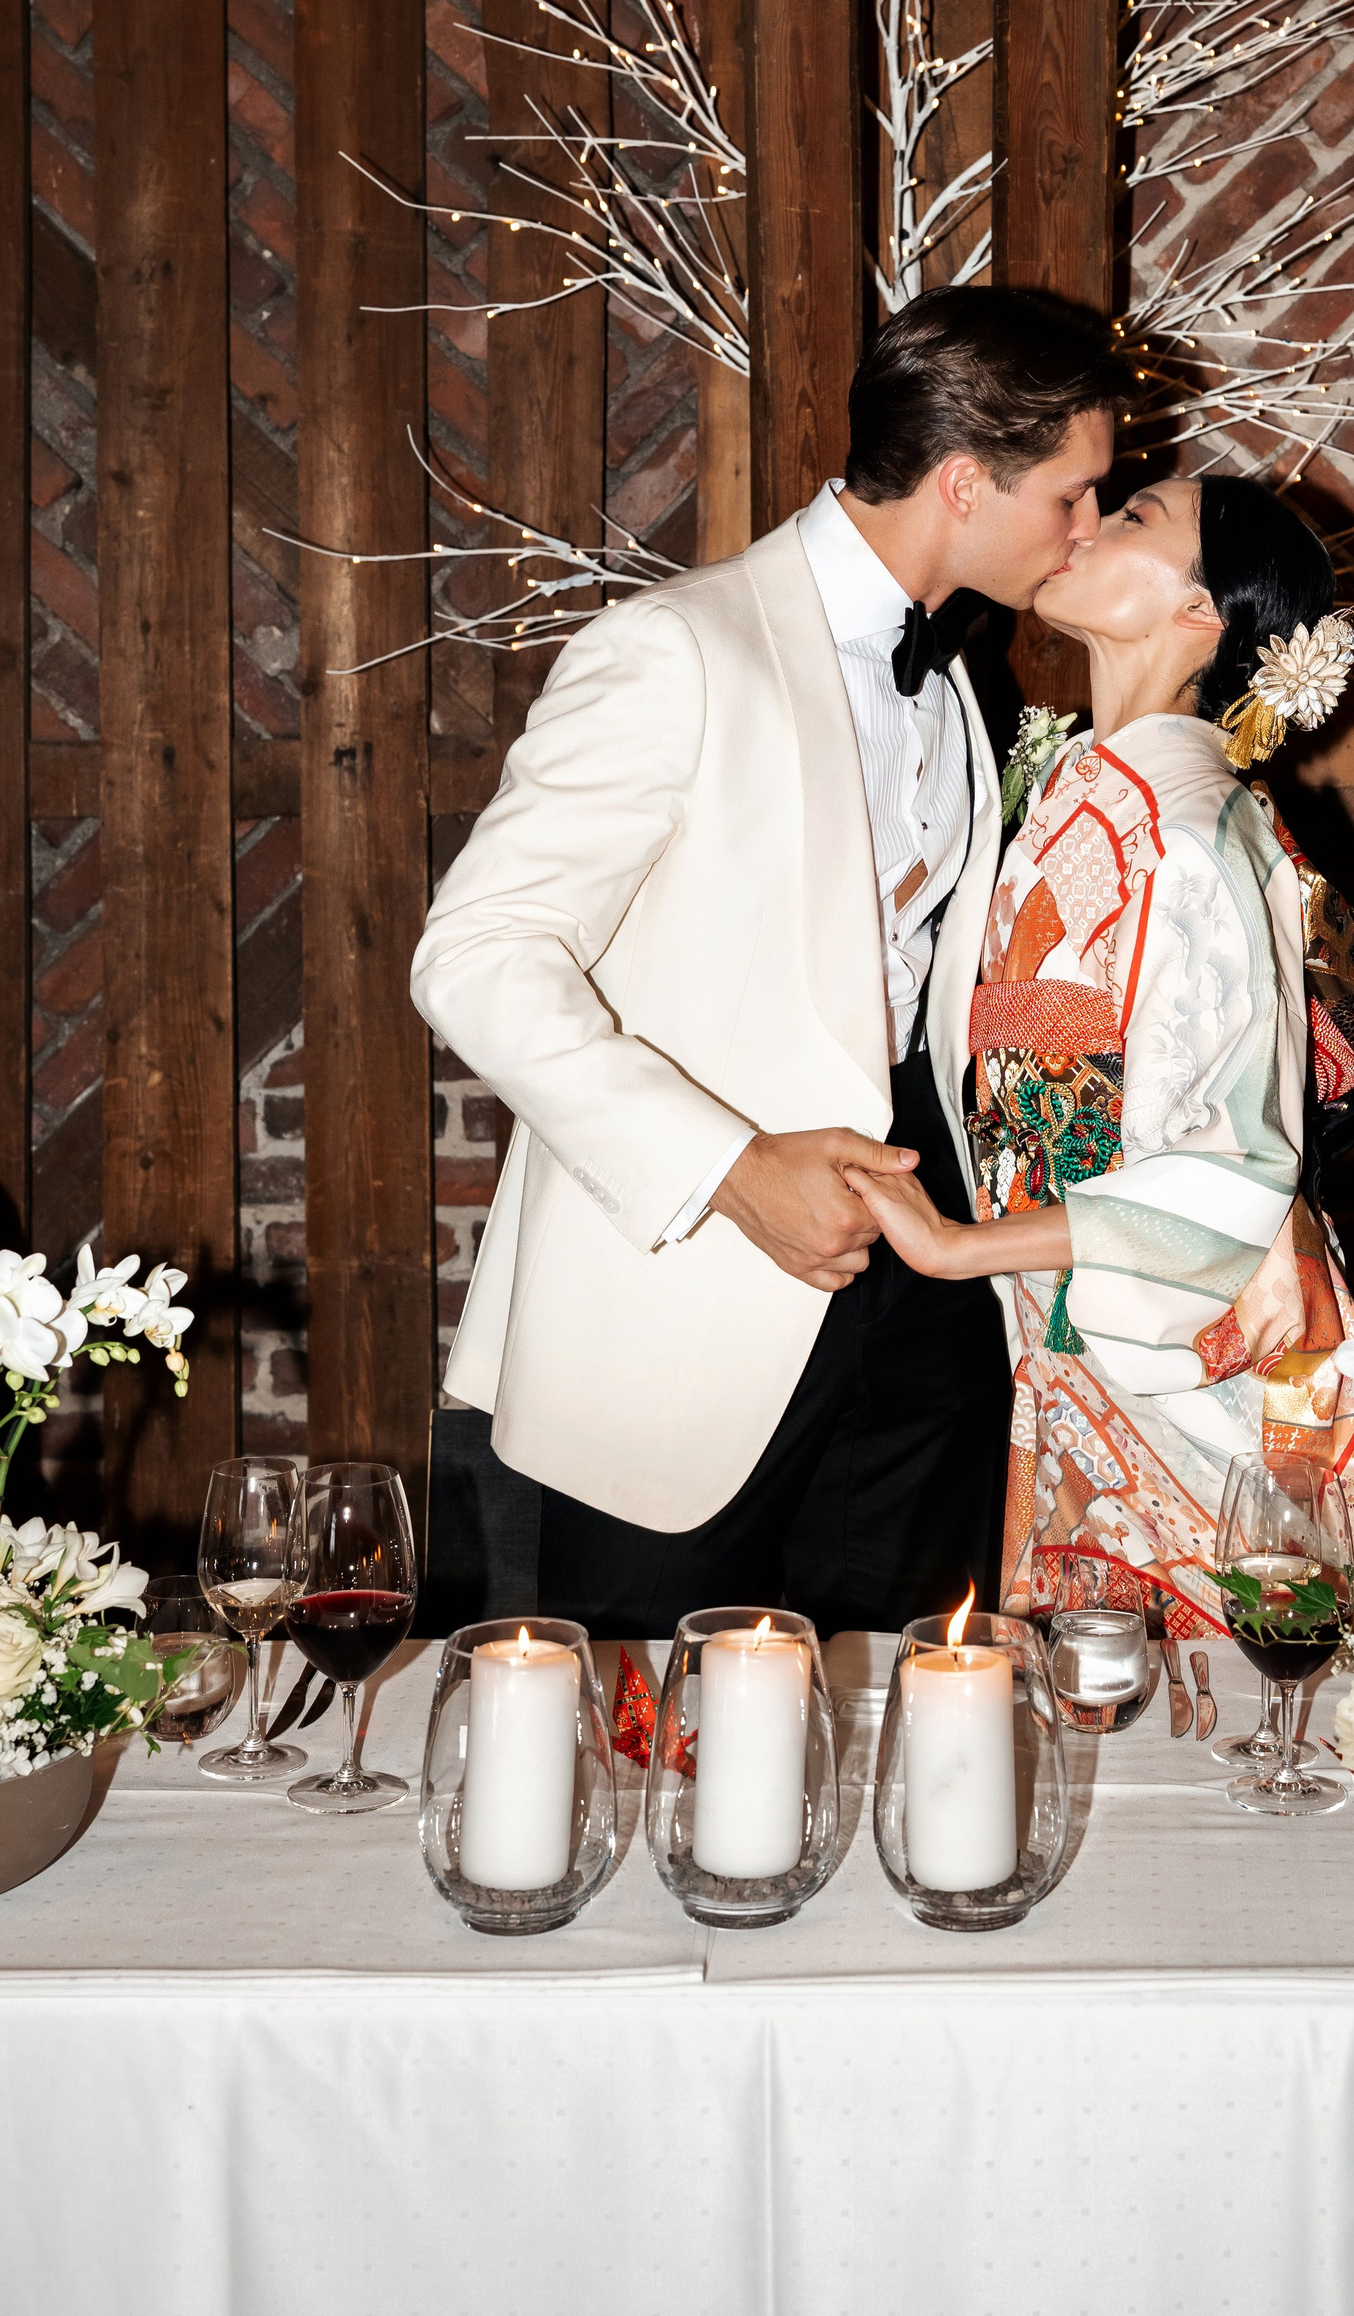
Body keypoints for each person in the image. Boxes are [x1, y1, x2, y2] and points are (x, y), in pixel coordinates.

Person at [410, 288, 1120, 1637]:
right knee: (643, 1729)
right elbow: (478, 956)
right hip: (687, 1310)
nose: (1089, 527)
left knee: (911, 1706)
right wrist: (734, 1172)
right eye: (1073, 494)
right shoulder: (675, 650)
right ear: (965, 482)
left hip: (927, 1305)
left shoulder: (959, 681)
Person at [847, 472, 1354, 1635]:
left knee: (1256, 1689)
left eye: (1133, 517)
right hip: (1077, 1330)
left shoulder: (1194, 832)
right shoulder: (1081, 786)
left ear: (1201, 611)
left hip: (1207, 1359)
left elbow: (1228, 1174)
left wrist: (959, 1249)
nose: (1086, 526)